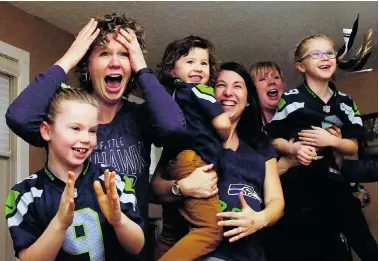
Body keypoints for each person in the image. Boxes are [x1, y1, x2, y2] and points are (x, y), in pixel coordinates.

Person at [5, 13, 186, 245]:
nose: (114, 62)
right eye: (103, 53)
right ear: (87, 65)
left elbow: (174, 128)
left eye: (124, 54)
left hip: (130, 249)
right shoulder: (65, 116)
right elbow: (19, 117)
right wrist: (70, 58)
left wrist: (141, 66)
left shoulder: (140, 116)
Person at [151, 62, 284, 261]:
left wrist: (260, 219)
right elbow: (154, 190)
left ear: (248, 100)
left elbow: (276, 201)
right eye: (220, 85)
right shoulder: (186, 138)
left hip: (248, 255)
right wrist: (181, 187)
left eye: (237, 86)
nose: (228, 93)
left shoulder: (260, 147)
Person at [264, 35, 377, 261]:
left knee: (364, 242)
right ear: (300, 66)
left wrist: (332, 141)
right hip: (299, 183)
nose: (325, 58)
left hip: (334, 179)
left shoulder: (346, 102)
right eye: (316, 54)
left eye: (329, 53)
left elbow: (352, 147)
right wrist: (294, 150)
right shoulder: (291, 98)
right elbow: (273, 139)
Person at [5, 87, 144, 261]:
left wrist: (119, 221)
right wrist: (60, 223)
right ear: (47, 131)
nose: (86, 138)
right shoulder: (25, 195)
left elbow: (137, 246)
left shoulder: (113, 182)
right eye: (76, 128)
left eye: (92, 130)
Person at [152, 35, 231, 261]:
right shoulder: (199, 90)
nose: (198, 67)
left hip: (176, 160)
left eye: (203, 63)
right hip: (193, 161)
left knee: (171, 234)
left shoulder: (174, 96)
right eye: (190, 61)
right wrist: (223, 132)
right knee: (210, 230)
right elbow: (223, 125)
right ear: (171, 70)